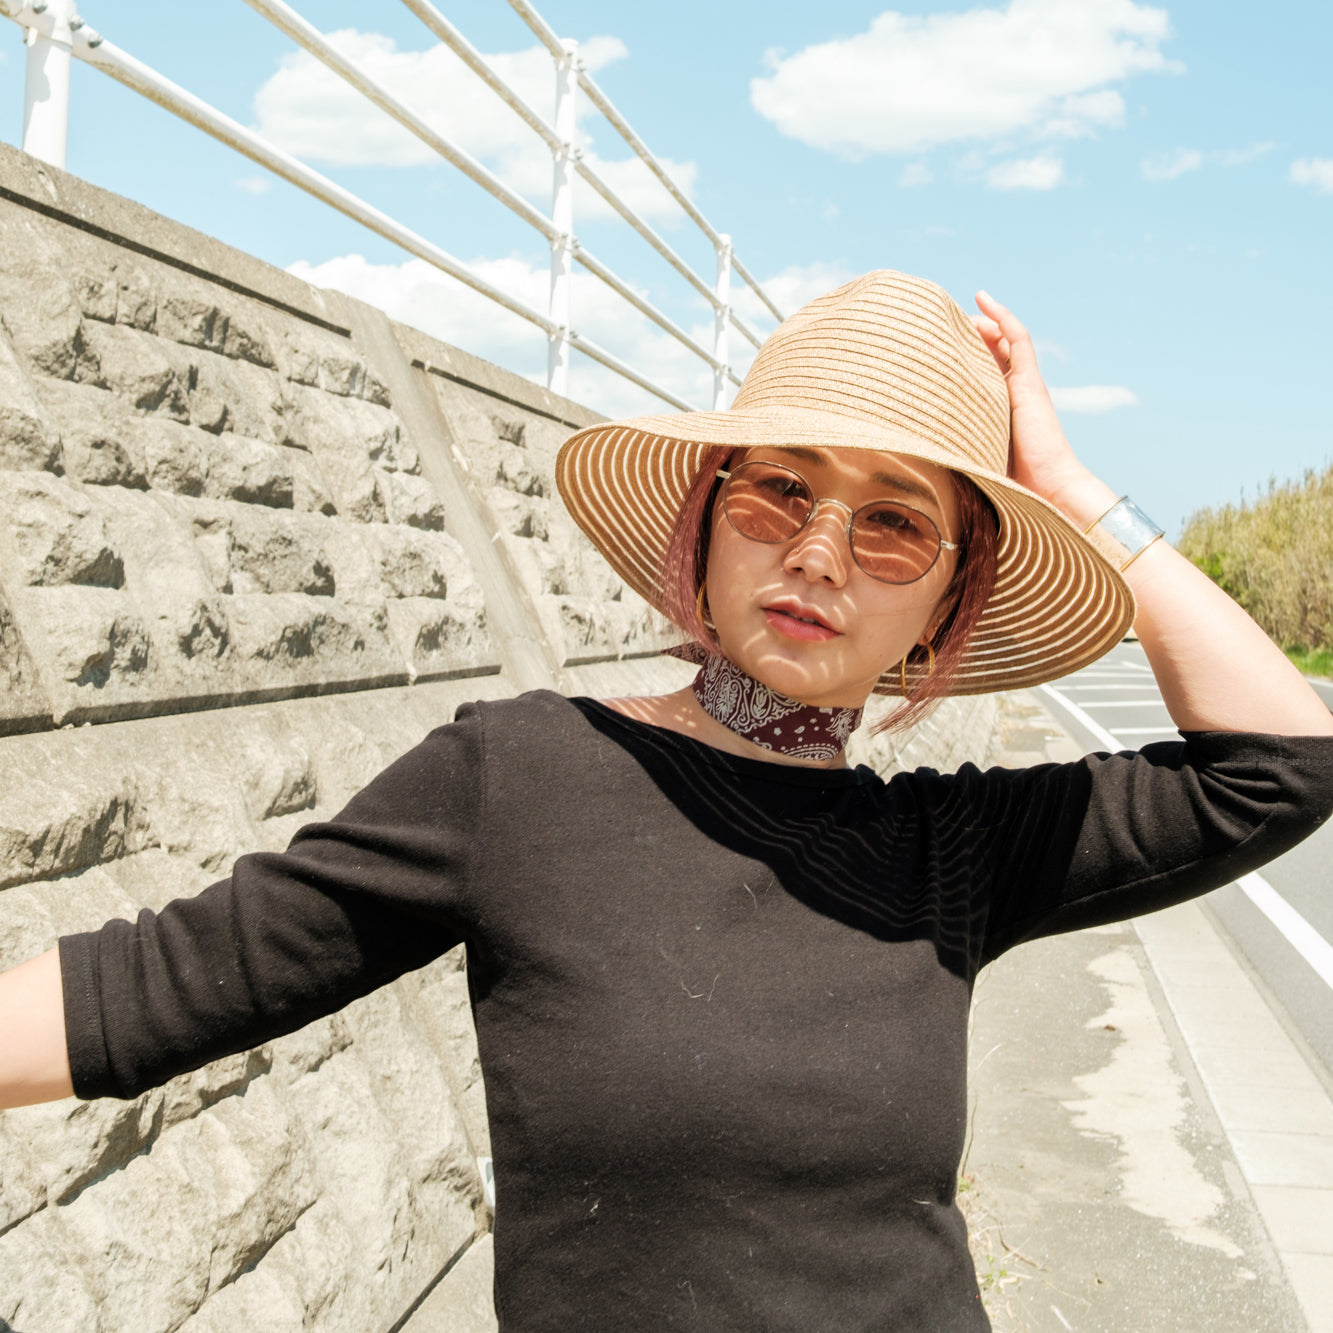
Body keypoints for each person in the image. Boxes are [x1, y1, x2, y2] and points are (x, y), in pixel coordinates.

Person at [1, 271, 1331, 1331]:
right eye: (779, 489)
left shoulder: (955, 850)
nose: (817, 551)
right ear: (703, 519)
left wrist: (1067, 487)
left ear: (942, 609)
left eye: (892, 523)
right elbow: (152, 984)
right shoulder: (514, 778)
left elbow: (1283, 761)